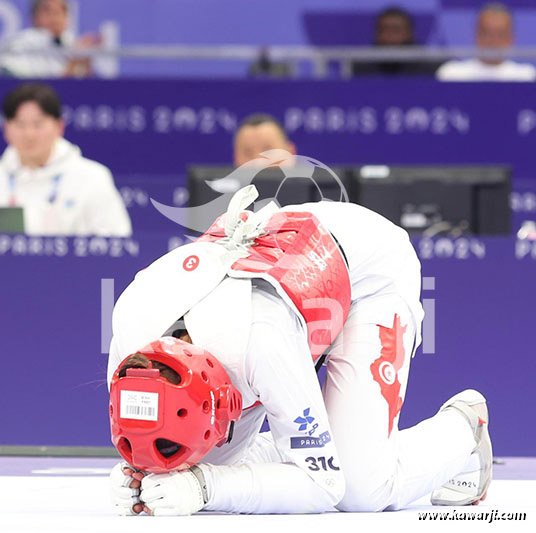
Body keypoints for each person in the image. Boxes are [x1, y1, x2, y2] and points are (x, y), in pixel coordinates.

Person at [107, 168, 492, 515]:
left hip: (369, 276)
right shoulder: (130, 332)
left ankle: (463, 429)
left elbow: (322, 485)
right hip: (286, 273)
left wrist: (206, 485)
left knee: (360, 489)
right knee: (205, 467)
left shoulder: (259, 343)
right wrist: (139, 474)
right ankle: (305, 442)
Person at [0, 83, 132, 236]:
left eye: (38, 124)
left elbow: (116, 240)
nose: (29, 134)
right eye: (20, 125)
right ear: (6, 129)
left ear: (59, 127)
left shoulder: (92, 177)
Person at [437, 3, 536, 82]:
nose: (493, 41)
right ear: (476, 35)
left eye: (500, 34)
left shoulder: (526, 77)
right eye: (486, 33)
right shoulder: (452, 75)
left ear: (511, 38)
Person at [0, 0, 98, 78]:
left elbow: (84, 87)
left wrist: (85, 61)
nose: (55, 18)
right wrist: (73, 63)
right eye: (48, 12)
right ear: (34, 17)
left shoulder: (72, 42)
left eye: (61, 12)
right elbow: (43, 90)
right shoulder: (23, 42)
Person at [352, 7, 441, 77]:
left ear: (409, 33)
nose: (389, 35)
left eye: (396, 30)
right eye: (384, 29)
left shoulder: (430, 68)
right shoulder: (361, 69)